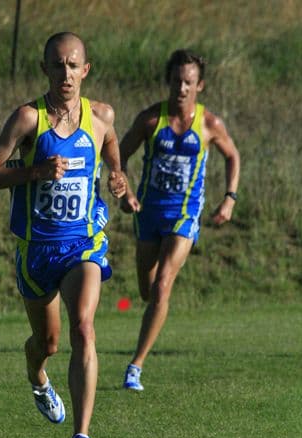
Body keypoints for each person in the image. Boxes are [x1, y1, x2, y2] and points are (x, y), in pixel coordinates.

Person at [0, 32, 126, 438]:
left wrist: (117, 174)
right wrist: (35, 171)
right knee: (49, 343)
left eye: (73, 65)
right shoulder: (27, 119)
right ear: (45, 69)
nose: (66, 73)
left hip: (83, 243)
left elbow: (110, 142)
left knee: (84, 328)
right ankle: (37, 376)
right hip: (38, 250)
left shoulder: (101, 115)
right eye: (57, 65)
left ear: (85, 70)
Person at [119, 49, 240, 391]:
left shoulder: (210, 124)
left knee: (162, 286)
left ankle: (135, 366)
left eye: (188, 82)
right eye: (176, 81)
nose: (181, 88)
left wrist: (229, 198)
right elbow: (117, 157)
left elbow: (232, 156)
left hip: (184, 214)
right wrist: (125, 193)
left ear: (200, 85)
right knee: (147, 290)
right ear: (168, 81)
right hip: (148, 214)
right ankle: (153, 311)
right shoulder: (150, 120)